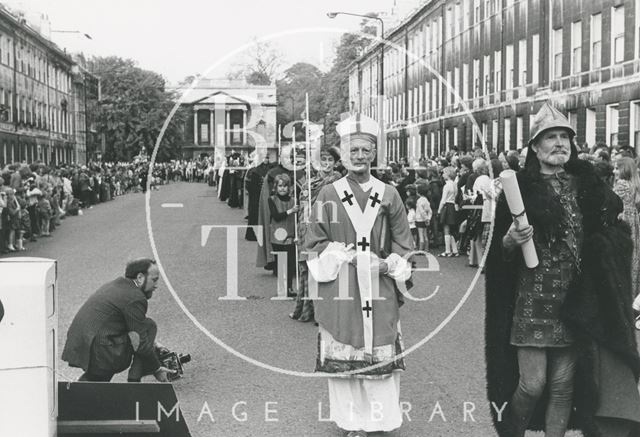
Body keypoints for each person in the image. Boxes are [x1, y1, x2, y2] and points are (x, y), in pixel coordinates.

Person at [485, 102, 640, 437]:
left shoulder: (588, 187)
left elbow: (615, 232)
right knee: (532, 384)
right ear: (535, 148)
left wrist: (607, 247)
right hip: (530, 303)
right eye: (550, 137)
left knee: (562, 387)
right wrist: (510, 241)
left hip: (575, 301)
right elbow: (495, 257)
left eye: (564, 137)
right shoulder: (518, 190)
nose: (559, 143)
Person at [305, 113, 414, 436]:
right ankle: (353, 423)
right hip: (342, 284)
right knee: (345, 352)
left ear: (375, 153)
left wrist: (387, 264)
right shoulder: (328, 194)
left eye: (366, 150)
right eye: (353, 150)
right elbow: (313, 240)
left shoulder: (389, 194)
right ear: (343, 152)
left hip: (379, 284)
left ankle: (378, 421)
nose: (360, 156)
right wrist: (343, 255)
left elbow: (404, 242)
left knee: (378, 349)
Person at [61, 258, 175, 382]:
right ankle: (134, 380)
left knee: (95, 382)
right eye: (154, 280)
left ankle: (84, 389)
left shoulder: (116, 286)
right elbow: (141, 341)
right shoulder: (135, 297)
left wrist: (154, 344)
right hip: (101, 350)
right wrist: (156, 368)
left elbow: (131, 326)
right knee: (149, 326)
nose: (156, 285)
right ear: (140, 278)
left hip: (82, 346)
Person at [613, 157, 640, 298]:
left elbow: (612, 203)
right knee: (634, 255)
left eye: (617, 168)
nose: (614, 171)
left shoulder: (621, 184)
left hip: (623, 218)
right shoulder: (634, 183)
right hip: (633, 219)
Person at [268, 173, 298, 297]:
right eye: (280, 186)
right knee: (281, 263)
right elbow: (276, 216)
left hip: (290, 234)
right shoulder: (272, 200)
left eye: (285, 186)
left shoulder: (293, 201)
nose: (282, 188)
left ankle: (289, 288)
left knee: (290, 263)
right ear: (276, 187)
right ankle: (282, 288)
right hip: (278, 235)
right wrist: (291, 211)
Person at [437, 166, 460, 257]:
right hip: (453, 206)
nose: (442, 175)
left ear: (448, 174)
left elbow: (443, 199)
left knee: (446, 228)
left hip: (447, 206)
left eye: (444, 173)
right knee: (451, 229)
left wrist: (439, 210)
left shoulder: (446, 186)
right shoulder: (455, 184)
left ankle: (447, 250)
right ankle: (454, 250)